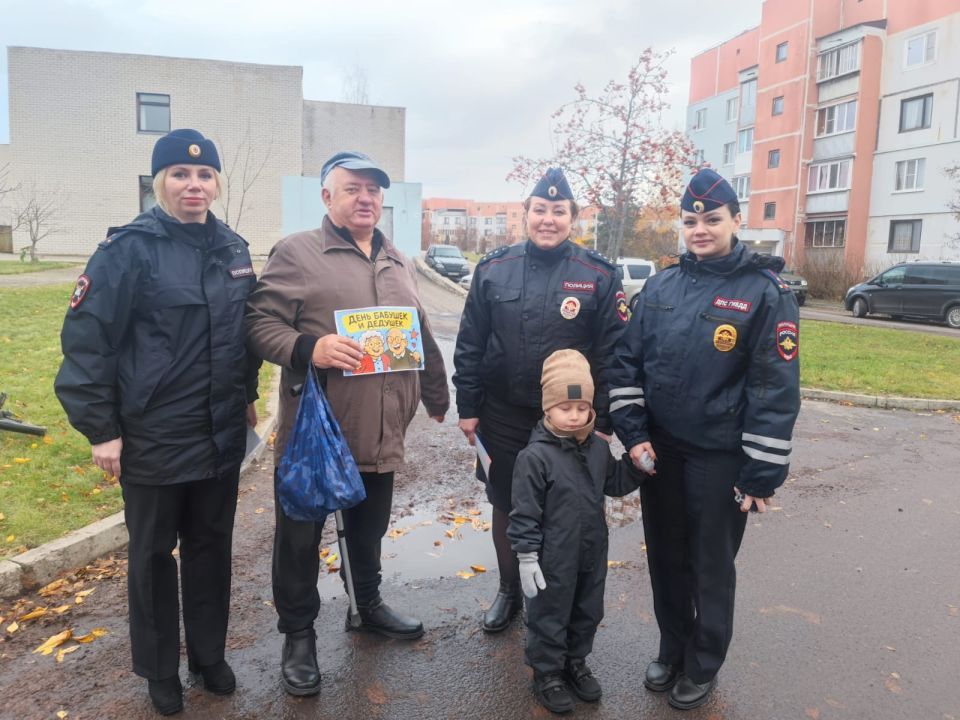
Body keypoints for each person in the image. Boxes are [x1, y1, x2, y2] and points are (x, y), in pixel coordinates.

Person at [54, 129, 259, 716]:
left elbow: (241, 337)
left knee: (211, 546)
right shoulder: (126, 251)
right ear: (158, 183)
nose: (193, 185)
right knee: (150, 554)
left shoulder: (234, 249)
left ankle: (208, 655)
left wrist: (247, 396)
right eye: (179, 175)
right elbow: (87, 345)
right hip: (152, 434)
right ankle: (159, 668)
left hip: (218, 431)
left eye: (204, 176)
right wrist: (101, 429)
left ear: (217, 183)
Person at [244, 150, 449, 697]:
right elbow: (258, 324)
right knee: (299, 537)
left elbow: (420, 330)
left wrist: (435, 393)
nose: (365, 199)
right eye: (353, 188)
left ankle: (368, 606)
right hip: (317, 430)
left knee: (369, 526)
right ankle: (299, 636)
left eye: (374, 191)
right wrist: (309, 346)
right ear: (327, 197)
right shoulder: (298, 253)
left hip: (380, 426)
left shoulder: (396, 259)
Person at [608, 168, 801, 710]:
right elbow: (627, 365)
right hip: (661, 453)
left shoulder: (765, 293)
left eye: (712, 219)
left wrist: (762, 472)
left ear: (736, 221)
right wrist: (635, 436)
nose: (700, 229)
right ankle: (672, 648)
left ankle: (703, 660)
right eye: (691, 220)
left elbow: (774, 388)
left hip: (720, 457)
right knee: (666, 557)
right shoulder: (662, 285)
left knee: (710, 565)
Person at [453, 168, 628, 633]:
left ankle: (556, 598)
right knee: (508, 504)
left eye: (558, 211)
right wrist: (467, 406)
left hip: (571, 420)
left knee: (568, 509)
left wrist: (605, 415)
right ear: (525, 214)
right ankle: (511, 590)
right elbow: (471, 342)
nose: (548, 219)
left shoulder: (597, 275)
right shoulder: (493, 269)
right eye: (540, 210)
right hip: (504, 416)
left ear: (574, 218)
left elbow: (615, 350)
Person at [508, 349, 645, 714]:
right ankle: (547, 672)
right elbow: (524, 513)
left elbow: (613, 482)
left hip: (592, 549)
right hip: (553, 556)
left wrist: (637, 468)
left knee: (587, 610)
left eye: (582, 408)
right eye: (565, 408)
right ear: (547, 409)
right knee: (550, 614)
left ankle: (575, 661)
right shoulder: (534, 458)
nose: (574, 416)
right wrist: (526, 556)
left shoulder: (598, 448)